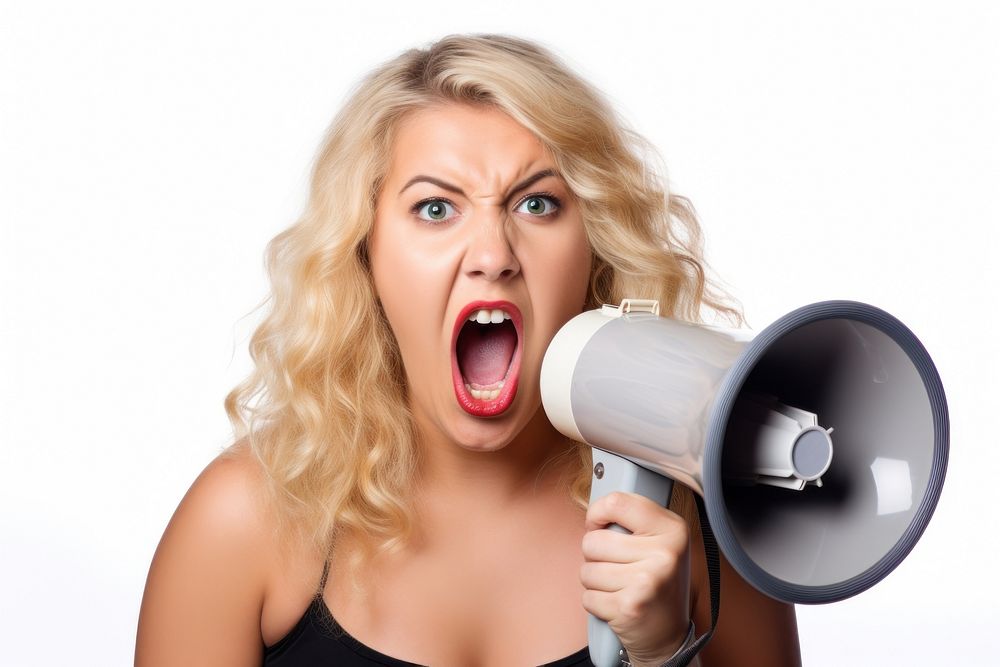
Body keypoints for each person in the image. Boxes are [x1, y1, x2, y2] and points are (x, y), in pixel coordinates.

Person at [135, 34, 801, 667]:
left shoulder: (709, 527)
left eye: (537, 204)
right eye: (434, 209)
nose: (492, 255)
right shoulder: (243, 523)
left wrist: (663, 650)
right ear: (364, 253)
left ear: (594, 248)